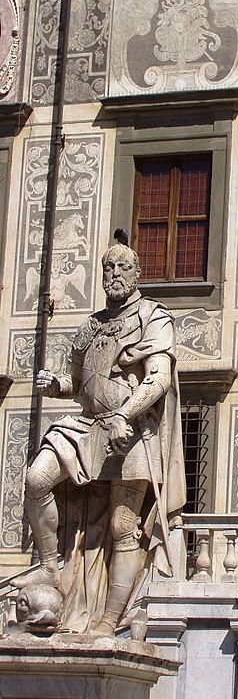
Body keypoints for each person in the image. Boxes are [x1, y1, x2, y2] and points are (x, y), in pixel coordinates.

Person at [13, 237, 185, 635]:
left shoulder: (152, 316)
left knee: (124, 525)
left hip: (131, 431)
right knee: (36, 479)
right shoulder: (91, 324)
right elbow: (77, 382)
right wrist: (54, 384)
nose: (114, 275)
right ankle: (50, 565)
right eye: (108, 268)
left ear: (137, 274)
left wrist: (125, 413)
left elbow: (158, 379)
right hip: (88, 425)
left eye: (123, 268)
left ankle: (109, 619)